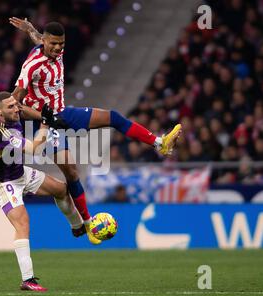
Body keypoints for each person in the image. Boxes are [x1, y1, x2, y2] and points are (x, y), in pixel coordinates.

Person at [10, 18, 182, 244]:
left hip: (63, 112)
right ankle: (88, 223)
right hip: (47, 122)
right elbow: (15, 103)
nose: (58, 48)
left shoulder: (52, 49)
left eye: (61, 44)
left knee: (112, 117)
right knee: (71, 172)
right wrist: (37, 118)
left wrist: (30, 29)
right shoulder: (31, 66)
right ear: (45, 42)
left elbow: (38, 38)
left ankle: (160, 143)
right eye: (53, 44)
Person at [0, 91, 85, 292]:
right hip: (4, 183)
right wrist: (46, 124)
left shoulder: (13, 113)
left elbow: (29, 112)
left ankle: (77, 226)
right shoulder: (0, 133)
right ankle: (28, 279)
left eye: (16, 105)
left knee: (60, 188)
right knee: (23, 222)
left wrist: (46, 115)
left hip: (20, 172)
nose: (17, 109)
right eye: (11, 107)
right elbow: (33, 148)